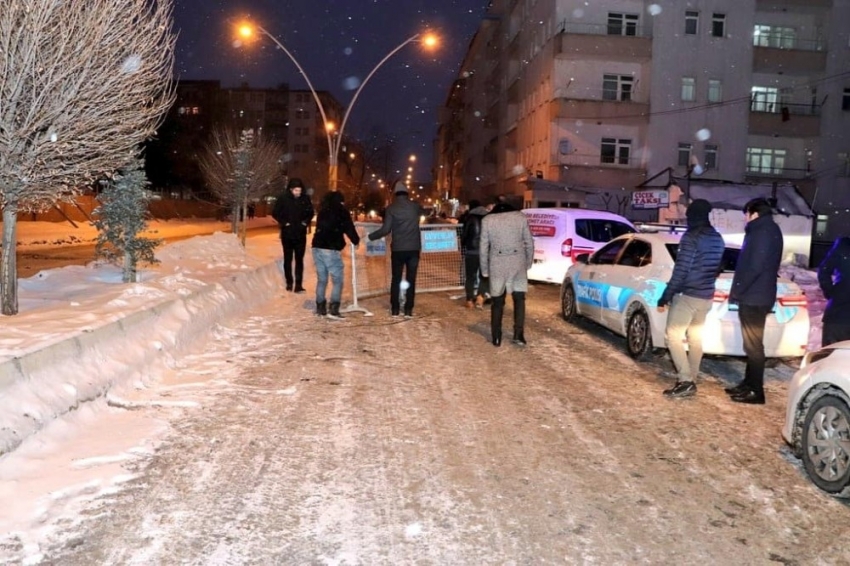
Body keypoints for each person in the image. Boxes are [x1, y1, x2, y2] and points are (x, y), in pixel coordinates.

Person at [656, 199, 725, 398]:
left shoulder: (691, 237)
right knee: (695, 338)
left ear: (693, 216)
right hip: (706, 296)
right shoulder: (717, 237)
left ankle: (685, 380)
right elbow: (717, 267)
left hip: (688, 295)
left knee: (673, 336)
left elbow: (681, 269)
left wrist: (666, 295)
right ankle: (691, 379)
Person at [726, 197, 783, 404]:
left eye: (746, 215)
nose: (745, 220)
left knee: (754, 346)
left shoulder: (761, 233)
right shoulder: (770, 230)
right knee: (752, 344)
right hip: (759, 294)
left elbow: (754, 266)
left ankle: (756, 391)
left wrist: (739, 290)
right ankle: (748, 384)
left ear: (754, 214)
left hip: (754, 296)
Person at [366, 181, 424, 317]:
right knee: (411, 279)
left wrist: (370, 237)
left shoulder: (391, 208)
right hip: (414, 249)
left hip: (398, 249)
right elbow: (424, 211)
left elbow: (386, 229)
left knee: (396, 278)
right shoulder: (414, 207)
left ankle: (395, 308)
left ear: (395, 194)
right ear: (407, 193)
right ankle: (409, 308)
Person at [480, 201, 534, 347]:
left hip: (497, 263)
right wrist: (528, 262)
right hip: (518, 262)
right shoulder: (520, 218)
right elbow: (529, 242)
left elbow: (483, 247)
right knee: (519, 299)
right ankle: (519, 334)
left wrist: (485, 269)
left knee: (497, 301)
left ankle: (496, 337)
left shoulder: (488, 221)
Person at [311, 191, 360, 319]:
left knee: (322, 279)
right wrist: (356, 240)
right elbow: (349, 227)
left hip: (316, 247)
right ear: (340, 201)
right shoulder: (341, 211)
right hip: (330, 248)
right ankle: (334, 308)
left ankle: (320, 307)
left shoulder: (323, 211)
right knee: (337, 280)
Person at [272, 178, 314, 293]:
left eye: (299, 190)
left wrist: (305, 223)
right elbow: (275, 212)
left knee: (299, 260)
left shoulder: (305, 199)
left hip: (300, 234)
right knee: (288, 259)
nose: (298, 193)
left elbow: (310, 213)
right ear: (290, 189)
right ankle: (289, 283)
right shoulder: (283, 198)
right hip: (287, 234)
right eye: (296, 190)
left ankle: (298, 285)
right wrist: (284, 223)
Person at [817, 236, 850, 346]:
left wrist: (831, 293)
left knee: (830, 356)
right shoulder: (843, 245)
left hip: (839, 313)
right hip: (839, 314)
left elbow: (824, 271)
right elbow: (824, 271)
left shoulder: (843, 245)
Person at [460, 199, 490, 309]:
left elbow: (464, 235)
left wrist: (463, 245)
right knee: (484, 276)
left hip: (471, 251)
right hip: (485, 252)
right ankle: (480, 298)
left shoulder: (469, 218)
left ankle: (469, 300)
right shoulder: (488, 218)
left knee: (470, 277)